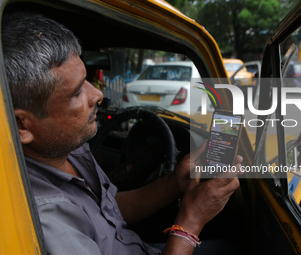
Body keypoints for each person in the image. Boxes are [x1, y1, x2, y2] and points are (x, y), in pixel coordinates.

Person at [2, 12, 243, 255]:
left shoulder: (67, 149)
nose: (97, 95)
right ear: (22, 125)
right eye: (76, 93)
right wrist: (190, 222)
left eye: (86, 80)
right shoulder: (46, 219)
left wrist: (173, 184)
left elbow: (108, 210)